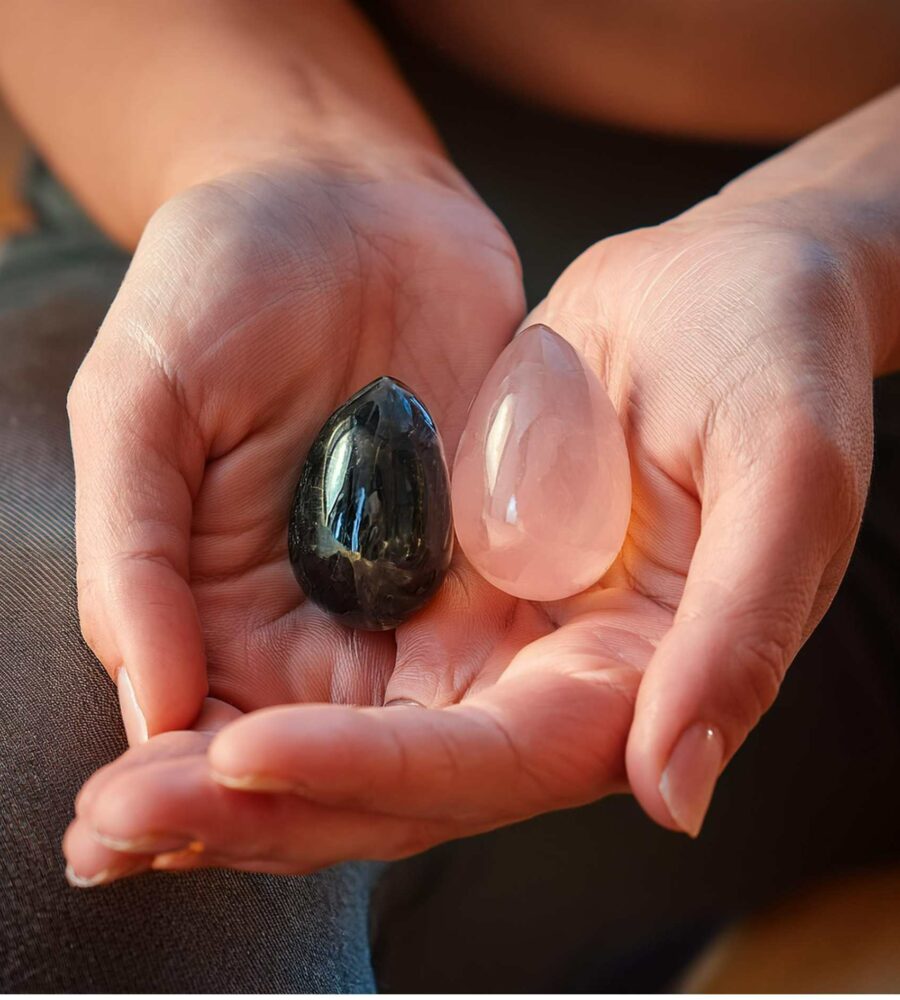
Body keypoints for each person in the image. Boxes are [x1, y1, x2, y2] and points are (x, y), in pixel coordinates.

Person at [1, 1, 899, 991]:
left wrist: (843, 228)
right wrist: (295, 149)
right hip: (239, 166)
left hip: (837, 361)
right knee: (56, 789)